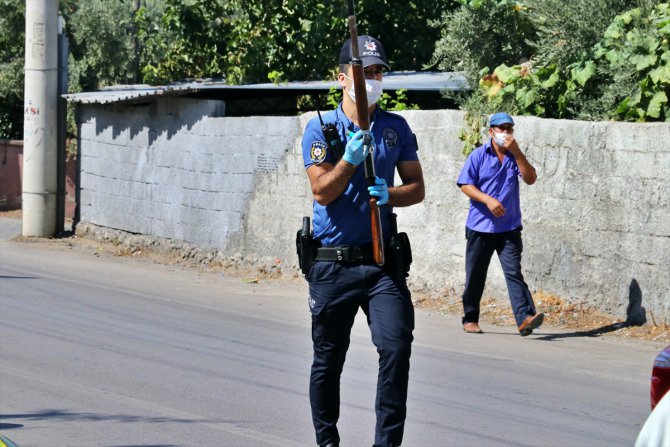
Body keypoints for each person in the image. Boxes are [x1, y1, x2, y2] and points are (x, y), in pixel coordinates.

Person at [300, 34, 425, 447]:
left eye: (377, 72)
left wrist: (391, 195)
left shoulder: (395, 128)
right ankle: (327, 442)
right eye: (363, 72)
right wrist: (350, 162)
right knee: (328, 360)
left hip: (380, 263)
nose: (371, 79)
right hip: (333, 264)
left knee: (396, 347)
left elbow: (417, 187)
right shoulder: (320, 128)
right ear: (342, 79)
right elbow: (322, 192)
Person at [456, 112, 544, 336]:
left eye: (509, 128)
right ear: (491, 132)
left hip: (509, 229)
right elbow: (465, 184)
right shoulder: (478, 156)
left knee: (514, 272)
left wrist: (518, 152)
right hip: (480, 227)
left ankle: (524, 318)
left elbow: (531, 178)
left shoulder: (515, 157)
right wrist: (487, 199)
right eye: (501, 128)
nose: (505, 132)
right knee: (475, 274)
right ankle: (470, 318)